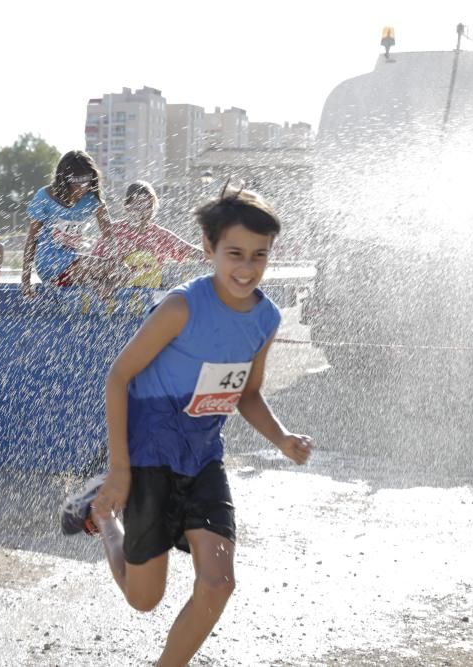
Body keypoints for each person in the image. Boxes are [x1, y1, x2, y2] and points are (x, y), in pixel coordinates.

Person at [59, 185, 314, 666]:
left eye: (259, 256)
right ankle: (104, 514)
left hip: (202, 457)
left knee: (219, 583)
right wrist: (119, 472)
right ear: (208, 248)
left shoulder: (267, 317)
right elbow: (118, 377)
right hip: (149, 456)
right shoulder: (181, 307)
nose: (247, 267)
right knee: (143, 600)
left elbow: (249, 393)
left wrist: (281, 438)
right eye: (234, 253)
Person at [20, 150, 126, 298]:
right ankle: (98, 286)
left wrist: (115, 266)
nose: (82, 188)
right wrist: (25, 280)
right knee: (106, 270)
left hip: (75, 263)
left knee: (123, 271)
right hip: (49, 262)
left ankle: (98, 288)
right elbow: (32, 240)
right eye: (77, 184)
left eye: (86, 182)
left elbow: (109, 235)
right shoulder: (44, 197)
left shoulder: (92, 199)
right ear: (64, 180)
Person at [94, 181, 206, 288]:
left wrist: (217, 255)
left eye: (148, 207)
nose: (143, 212)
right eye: (138, 206)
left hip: (150, 293)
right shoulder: (113, 231)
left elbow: (190, 251)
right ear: (126, 206)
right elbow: (95, 263)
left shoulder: (159, 235)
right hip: (117, 293)